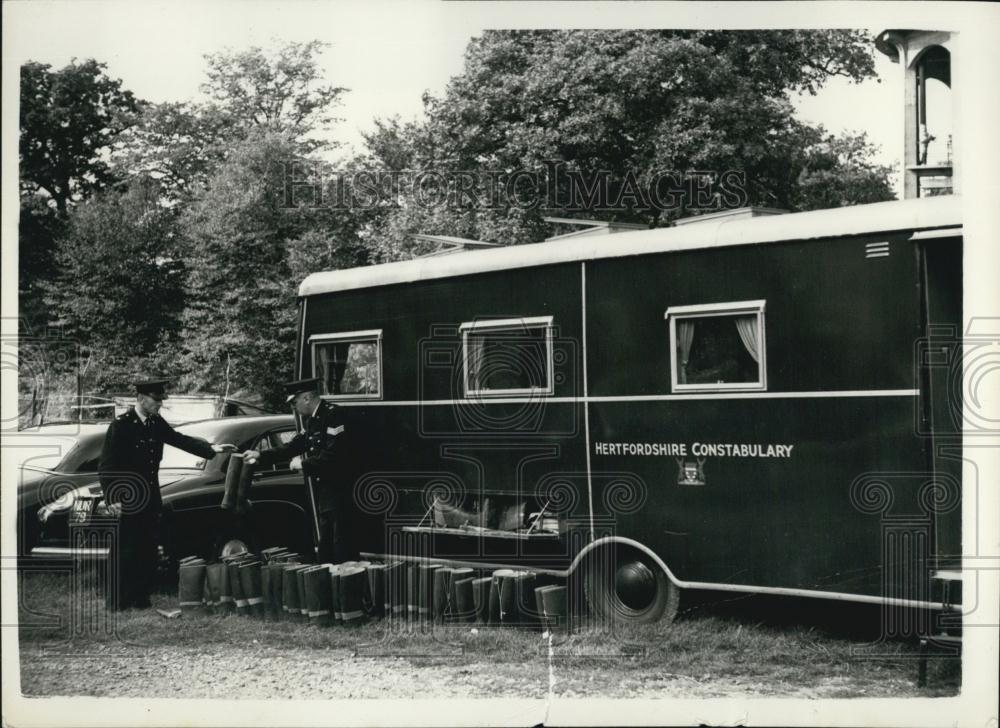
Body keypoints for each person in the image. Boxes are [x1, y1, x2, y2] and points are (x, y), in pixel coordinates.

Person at [99, 378, 234, 610]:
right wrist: (112, 498)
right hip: (129, 495)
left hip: (151, 494)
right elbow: (107, 466)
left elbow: (177, 439)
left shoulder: (155, 422)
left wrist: (211, 449)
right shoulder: (121, 425)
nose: (159, 404)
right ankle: (117, 601)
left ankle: (140, 598)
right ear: (141, 399)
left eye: (160, 400)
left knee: (147, 548)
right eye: (155, 399)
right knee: (125, 548)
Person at [244, 377, 354, 564]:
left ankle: (347, 588)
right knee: (327, 548)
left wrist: (303, 464)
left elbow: (335, 456)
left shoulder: (335, 416)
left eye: (294, 402)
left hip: (341, 491)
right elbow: (293, 447)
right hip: (326, 493)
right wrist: (260, 455)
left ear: (307, 398)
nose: (294, 407)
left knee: (341, 546)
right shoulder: (312, 422)